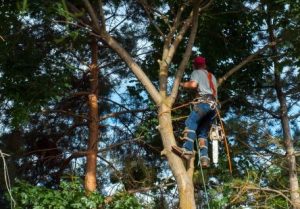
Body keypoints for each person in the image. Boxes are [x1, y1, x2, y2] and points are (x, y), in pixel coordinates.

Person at [172, 56, 218, 168]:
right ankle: (204, 158)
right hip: (214, 107)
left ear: (195, 65)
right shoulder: (212, 76)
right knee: (202, 133)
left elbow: (193, 85)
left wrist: (181, 84)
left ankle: (187, 150)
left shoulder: (196, 72)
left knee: (190, 122)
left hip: (204, 103)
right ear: (205, 65)